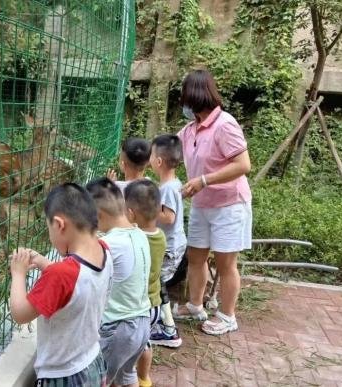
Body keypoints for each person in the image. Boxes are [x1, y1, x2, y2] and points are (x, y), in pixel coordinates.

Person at [9, 183, 113, 386]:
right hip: (93, 361)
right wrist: (43, 263)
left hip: (63, 376)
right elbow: (75, 283)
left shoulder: (61, 275)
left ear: (59, 224)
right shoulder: (104, 251)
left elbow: (20, 314)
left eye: (49, 229)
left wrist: (18, 274)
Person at [174, 69, 252, 336]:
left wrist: (204, 181)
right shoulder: (190, 129)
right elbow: (167, 150)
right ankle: (196, 305)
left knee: (226, 263)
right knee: (196, 257)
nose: (182, 103)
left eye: (184, 96)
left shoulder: (225, 125)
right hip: (202, 204)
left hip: (228, 204)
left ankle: (228, 316)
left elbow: (243, 165)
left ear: (194, 95)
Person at [86, 177, 151, 387]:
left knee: (97, 380)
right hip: (142, 324)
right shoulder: (140, 235)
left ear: (98, 216)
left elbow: (80, 265)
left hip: (118, 329)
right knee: (126, 374)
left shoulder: (109, 243)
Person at [122, 180, 175, 387]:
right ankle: (144, 379)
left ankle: (127, 376)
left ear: (132, 214)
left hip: (137, 306)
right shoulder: (160, 236)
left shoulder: (133, 237)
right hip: (154, 305)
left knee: (129, 347)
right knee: (145, 343)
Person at [148, 134, 185, 346]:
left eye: (152, 156)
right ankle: (164, 324)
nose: (150, 159)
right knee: (156, 284)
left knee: (155, 284)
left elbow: (168, 218)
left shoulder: (168, 188)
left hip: (170, 249)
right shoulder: (170, 184)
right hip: (171, 246)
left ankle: (168, 330)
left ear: (159, 161)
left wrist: (147, 207)